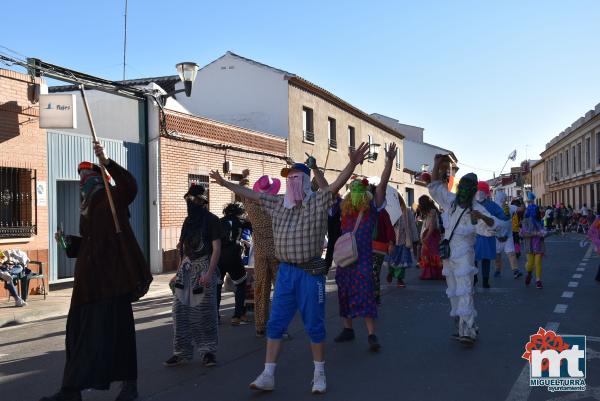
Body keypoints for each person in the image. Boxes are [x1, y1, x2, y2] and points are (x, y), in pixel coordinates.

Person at [210, 143, 370, 394]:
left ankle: (319, 374)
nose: (291, 181)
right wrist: (224, 184)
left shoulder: (317, 202)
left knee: (314, 324)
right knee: (275, 324)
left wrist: (351, 164)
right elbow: (249, 194)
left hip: (311, 271)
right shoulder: (276, 204)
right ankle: (268, 374)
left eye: (296, 177)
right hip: (286, 272)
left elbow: (336, 184)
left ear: (306, 182)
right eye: (289, 178)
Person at [42, 142, 152, 401]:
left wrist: (107, 161)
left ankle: (129, 386)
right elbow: (91, 242)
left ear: (98, 178)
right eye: (81, 178)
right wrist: (69, 242)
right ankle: (71, 390)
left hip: (112, 282)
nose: (83, 182)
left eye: (87, 177)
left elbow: (131, 186)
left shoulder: (112, 197)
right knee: (79, 336)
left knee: (119, 335)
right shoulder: (87, 207)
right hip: (88, 284)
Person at [428, 154, 498, 346]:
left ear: (473, 191)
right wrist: (435, 164)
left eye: (469, 188)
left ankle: (468, 331)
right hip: (449, 254)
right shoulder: (450, 201)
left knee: (465, 290)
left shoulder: (476, 208)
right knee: (453, 291)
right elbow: (434, 187)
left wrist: (482, 218)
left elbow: (494, 226)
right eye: (463, 187)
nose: (465, 191)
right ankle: (463, 325)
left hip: (465, 255)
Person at [334, 143, 396, 352]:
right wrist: (316, 170)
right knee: (344, 292)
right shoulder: (343, 208)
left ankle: (371, 334)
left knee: (366, 293)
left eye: (360, 189)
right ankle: (348, 329)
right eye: (353, 190)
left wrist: (389, 162)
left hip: (363, 259)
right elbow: (330, 188)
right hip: (345, 259)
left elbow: (383, 185)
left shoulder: (371, 209)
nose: (356, 192)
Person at [164, 184, 221, 368]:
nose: (190, 202)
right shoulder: (188, 221)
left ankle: (208, 352)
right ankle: (181, 352)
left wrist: (209, 273)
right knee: (179, 311)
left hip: (204, 266)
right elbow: (183, 248)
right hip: (187, 268)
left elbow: (216, 249)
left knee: (204, 313)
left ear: (202, 201)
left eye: (194, 199)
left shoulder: (212, 220)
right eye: (189, 199)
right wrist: (177, 273)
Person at [240, 171, 281, 337]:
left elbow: (242, 190)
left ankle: (260, 324)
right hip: (277, 252)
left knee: (260, 289)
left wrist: (244, 180)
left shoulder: (249, 204)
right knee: (279, 290)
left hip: (260, 253)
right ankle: (278, 325)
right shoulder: (275, 206)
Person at [216, 202, 252, 325]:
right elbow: (254, 228)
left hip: (219, 257)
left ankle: (215, 316)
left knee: (217, 286)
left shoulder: (218, 222)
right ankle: (237, 315)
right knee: (241, 284)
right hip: (234, 256)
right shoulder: (242, 221)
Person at [474, 182, 506, 289]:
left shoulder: (492, 205)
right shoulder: (472, 204)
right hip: (474, 234)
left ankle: (485, 280)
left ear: (486, 192)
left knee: (486, 258)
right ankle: (474, 277)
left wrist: (506, 214)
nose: (480, 193)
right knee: (472, 257)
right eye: (478, 190)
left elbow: (502, 217)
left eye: (482, 191)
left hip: (487, 235)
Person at [369, 184, 395, 304]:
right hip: (366, 247)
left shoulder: (383, 212)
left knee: (374, 272)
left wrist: (391, 243)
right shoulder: (365, 210)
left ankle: (375, 297)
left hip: (379, 248)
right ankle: (370, 295)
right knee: (370, 272)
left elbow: (389, 229)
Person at [386, 192, 419, 288]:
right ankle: (391, 272)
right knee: (392, 259)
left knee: (402, 260)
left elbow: (412, 224)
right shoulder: (389, 210)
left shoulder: (407, 211)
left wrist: (415, 239)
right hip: (392, 240)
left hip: (404, 239)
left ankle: (400, 279)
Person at [493, 192, 523, 279]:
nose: (504, 199)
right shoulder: (493, 208)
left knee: (511, 253)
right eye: (503, 198)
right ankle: (498, 270)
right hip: (497, 235)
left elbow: (520, 209)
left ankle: (515, 271)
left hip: (507, 235)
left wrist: (523, 201)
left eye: (504, 198)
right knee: (498, 254)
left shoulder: (509, 207)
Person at [521, 193, 546, 289]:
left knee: (538, 262)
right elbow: (523, 233)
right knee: (530, 263)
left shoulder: (540, 222)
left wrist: (552, 232)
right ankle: (529, 273)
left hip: (539, 245)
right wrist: (535, 234)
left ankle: (538, 280)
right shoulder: (525, 222)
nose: (533, 213)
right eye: (531, 210)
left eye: (535, 210)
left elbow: (544, 232)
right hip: (529, 246)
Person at [417, 195, 444, 280]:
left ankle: (431, 273)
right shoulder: (427, 212)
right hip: (430, 234)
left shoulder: (432, 211)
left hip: (431, 234)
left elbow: (432, 226)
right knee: (429, 253)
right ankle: (431, 273)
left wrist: (426, 237)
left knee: (431, 253)